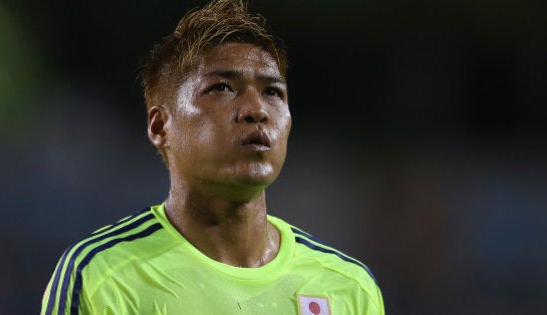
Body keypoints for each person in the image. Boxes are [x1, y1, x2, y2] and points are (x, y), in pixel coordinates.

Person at [41, 0, 384, 314]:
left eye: (272, 92)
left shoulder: (348, 289)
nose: (256, 109)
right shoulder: (104, 276)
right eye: (221, 88)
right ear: (161, 126)